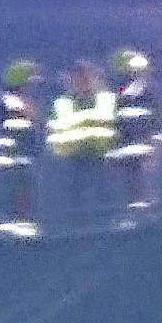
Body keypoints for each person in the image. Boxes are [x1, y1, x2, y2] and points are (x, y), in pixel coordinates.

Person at [47, 58, 115, 214]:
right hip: (73, 158)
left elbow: (114, 124)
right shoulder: (62, 103)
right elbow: (55, 129)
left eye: (85, 77)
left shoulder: (106, 98)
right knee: (76, 195)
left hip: (103, 156)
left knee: (105, 194)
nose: (80, 81)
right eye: (76, 77)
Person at [0, 58, 43, 231]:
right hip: (12, 156)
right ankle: (17, 221)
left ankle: (23, 220)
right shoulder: (9, 100)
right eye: (29, 83)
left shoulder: (18, 100)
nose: (32, 88)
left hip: (23, 155)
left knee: (24, 188)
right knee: (15, 189)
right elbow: (25, 120)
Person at [108, 47, 161, 212]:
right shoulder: (115, 93)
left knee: (142, 182)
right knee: (126, 185)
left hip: (142, 146)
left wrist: (155, 145)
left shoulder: (149, 92)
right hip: (124, 147)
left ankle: (144, 209)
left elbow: (157, 120)